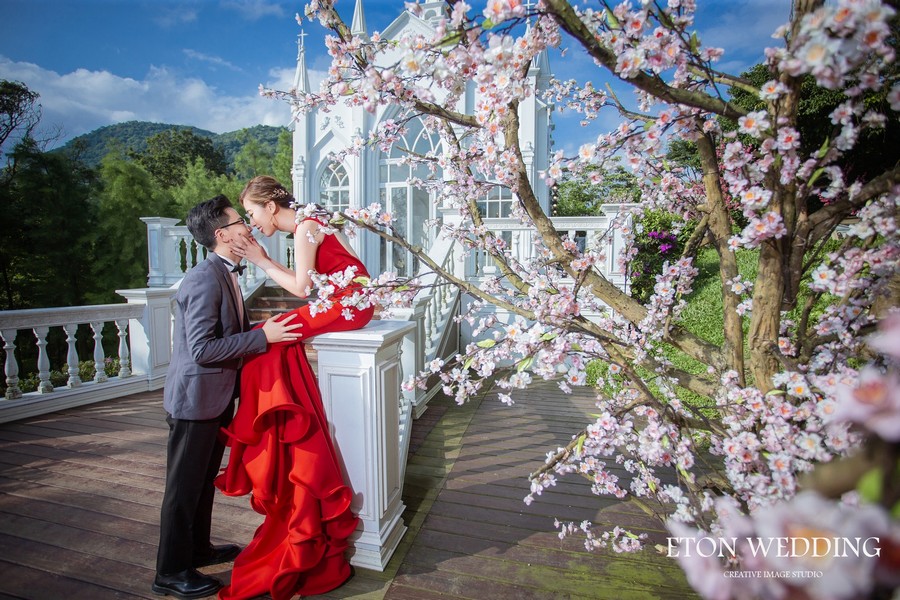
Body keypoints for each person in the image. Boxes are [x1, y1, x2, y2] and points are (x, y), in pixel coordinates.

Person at [213, 176, 375, 600]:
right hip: (347, 302)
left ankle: (273, 431)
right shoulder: (311, 221)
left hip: (346, 306)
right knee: (269, 338)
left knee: (268, 337)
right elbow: (345, 270)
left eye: (252, 213)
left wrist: (264, 260)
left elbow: (302, 288)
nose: (252, 222)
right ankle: (277, 422)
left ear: (270, 206)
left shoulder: (304, 225)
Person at [154, 195, 303, 600]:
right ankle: (170, 571)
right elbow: (202, 349)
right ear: (221, 234)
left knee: (202, 482)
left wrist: (260, 330)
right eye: (240, 222)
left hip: (213, 400)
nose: (248, 227)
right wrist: (261, 337)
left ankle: (197, 550)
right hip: (194, 401)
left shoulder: (225, 273)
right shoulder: (204, 278)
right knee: (183, 488)